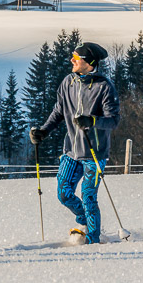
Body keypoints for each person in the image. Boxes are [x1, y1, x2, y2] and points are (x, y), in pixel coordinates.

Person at [29, 42, 120, 245]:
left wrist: (92, 121)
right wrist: (44, 131)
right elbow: (58, 112)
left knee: (88, 197)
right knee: (64, 194)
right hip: (71, 150)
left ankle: (93, 240)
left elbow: (113, 120)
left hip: (94, 153)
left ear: (89, 63)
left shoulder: (104, 86)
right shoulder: (68, 82)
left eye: (76, 58)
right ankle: (85, 221)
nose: (72, 60)